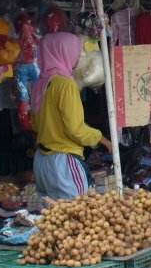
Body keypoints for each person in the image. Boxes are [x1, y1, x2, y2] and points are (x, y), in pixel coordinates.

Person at [31, 32, 111, 200]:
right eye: (76, 52)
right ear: (64, 53)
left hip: (42, 163)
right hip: (64, 163)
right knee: (79, 216)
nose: (79, 57)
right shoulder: (65, 84)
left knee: (54, 221)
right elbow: (76, 130)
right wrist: (102, 140)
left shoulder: (40, 83)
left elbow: (36, 125)